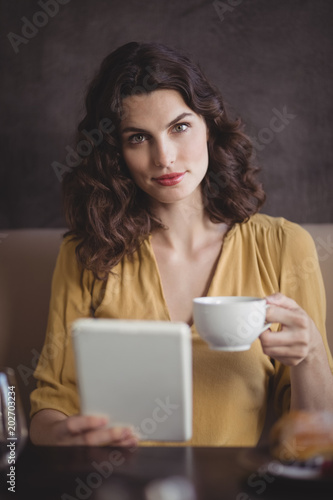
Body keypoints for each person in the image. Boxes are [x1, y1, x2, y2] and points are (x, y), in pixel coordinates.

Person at [29, 41, 333, 447]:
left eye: (180, 127)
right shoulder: (86, 253)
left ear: (209, 126)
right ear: (116, 152)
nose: (165, 157)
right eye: (138, 138)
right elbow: (51, 405)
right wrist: (64, 435)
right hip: (116, 485)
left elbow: (316, 435)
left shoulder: (282, 246)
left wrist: (311, 353)